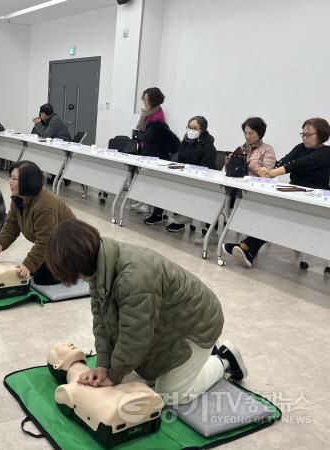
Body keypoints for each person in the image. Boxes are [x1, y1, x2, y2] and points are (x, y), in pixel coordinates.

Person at [45, 218, 247, 405]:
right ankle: (199, 356)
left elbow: (135, 336)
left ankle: (223, 359)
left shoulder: (133, 277)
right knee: (141, 373)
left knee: (169, 395)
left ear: (80, 263)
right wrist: (103, 365)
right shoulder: (99, 262)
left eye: (76, 275)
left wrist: (112, 376)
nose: (80, 279)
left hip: (198, 323)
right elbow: (101, 321)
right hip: (170, 319)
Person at [223, 118, 330, 268]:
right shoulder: (300, 148)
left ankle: (247, 247)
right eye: (303, 134)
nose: (304, 138)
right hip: (295, 191)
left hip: (315, 196)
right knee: (273, 212)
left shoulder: (326, 152)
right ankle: (247, 249)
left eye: (308, 135)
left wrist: (272, 172)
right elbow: (285, 161)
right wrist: (268, 170)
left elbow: (298, 164)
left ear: (321, 135)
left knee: (280, 216)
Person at [0, 160, 74, 285]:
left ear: (26, 182)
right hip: (53, 247)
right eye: (10, 177)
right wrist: (0, 244)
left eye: (14, 179)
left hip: (68, 248)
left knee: (41, 279)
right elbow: (12, 223)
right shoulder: (19, 197)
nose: (10, 182)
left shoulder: (45, 205)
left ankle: (73, 267)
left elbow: (46, 241)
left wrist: (29, 264)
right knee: (31, 271)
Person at [145, 116, 217, 229]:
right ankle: (158, 214)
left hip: (199, 181)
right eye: (189, 127)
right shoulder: (186, 141)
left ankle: (181, 218)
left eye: (195, 128)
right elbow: (180, 160)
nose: (191, 130)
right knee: (166, 184)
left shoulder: (208, 146)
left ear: (202, 130)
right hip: (184, 176)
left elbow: (207, 167)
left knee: (180, 188)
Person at [132, 87, 178, 215]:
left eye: (147, 100)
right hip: (146, 149)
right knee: (144, 178)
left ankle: (148, 205)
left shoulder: (157, 116)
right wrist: (140, 135)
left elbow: (147, 136)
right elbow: (142, 132)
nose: (145, 102)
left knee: (151, 179)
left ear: (154, 100)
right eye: (144, 99)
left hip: (154, 152)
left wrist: (138, 135)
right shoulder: (148, 113)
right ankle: (142, 201)